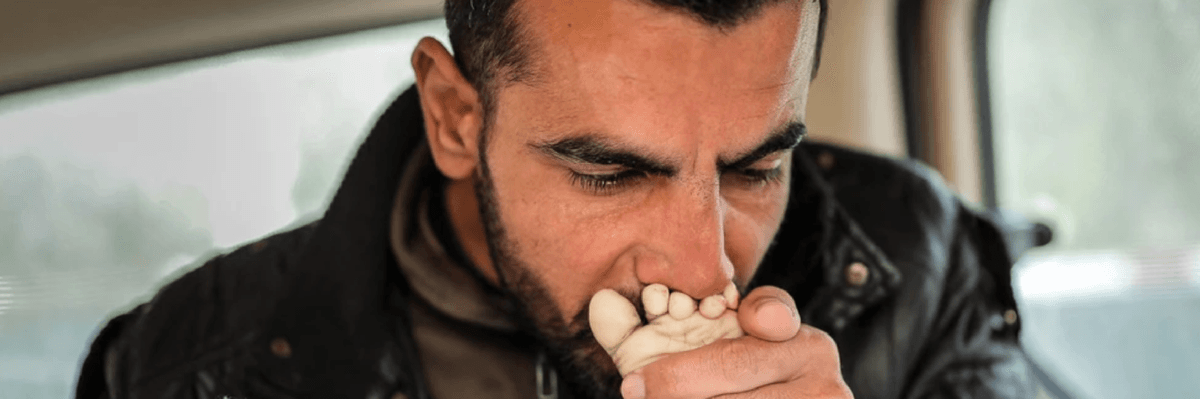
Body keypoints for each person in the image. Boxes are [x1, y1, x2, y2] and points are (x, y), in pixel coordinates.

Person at [75, 0, 1041, 398]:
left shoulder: (920, 259)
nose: (706, 268)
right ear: (456, 117)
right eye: (611, 172)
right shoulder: (187, 366)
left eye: (755, 167)